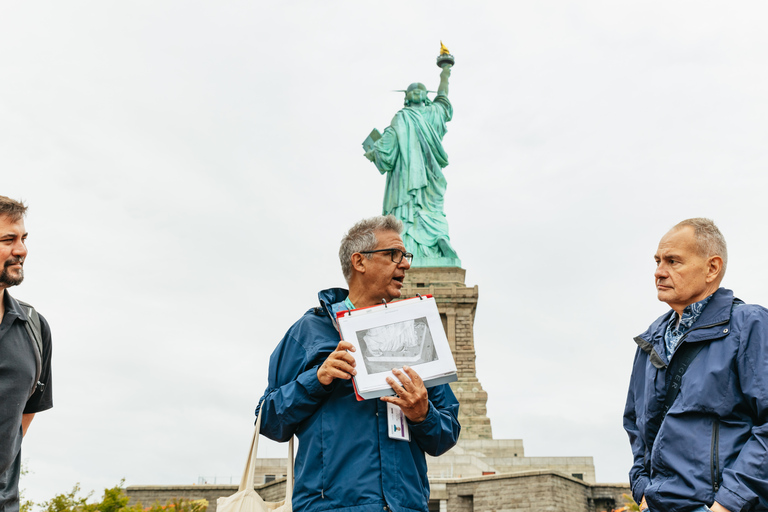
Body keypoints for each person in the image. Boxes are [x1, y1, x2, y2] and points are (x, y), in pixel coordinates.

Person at [256, 215, 460, 512]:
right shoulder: (309, 331)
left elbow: (446, 434)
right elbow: (268, 420)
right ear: (359, 261)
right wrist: (317, 378)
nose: (405, 264)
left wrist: (422, 413)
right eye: (394, 255)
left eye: (406, 256)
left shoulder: (418, 333)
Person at [624, 218, 768, 512]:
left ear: (712, 268)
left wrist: (727, 504)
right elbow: (635, 425)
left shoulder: (749, 325)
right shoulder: (649, 342)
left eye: (673, 261)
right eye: (657, 261)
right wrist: (641, 489)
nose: (659, 272)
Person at [364, 61, 460, 266]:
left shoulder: (406, 117)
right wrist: (445, 71)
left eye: (418, 90)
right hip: (421, 177)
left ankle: (415, 244)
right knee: (430, 211)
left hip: (409, 180)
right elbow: (443, 97)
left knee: (415, 211)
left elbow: (385, 150)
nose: (416, 92)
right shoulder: (422, 115)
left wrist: (374, 151)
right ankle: (436, 240)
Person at [0, 196, 53, 512]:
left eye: (23, 239)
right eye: (8, 239)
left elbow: (26, 410)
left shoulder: (34, 327)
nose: (21, 250)